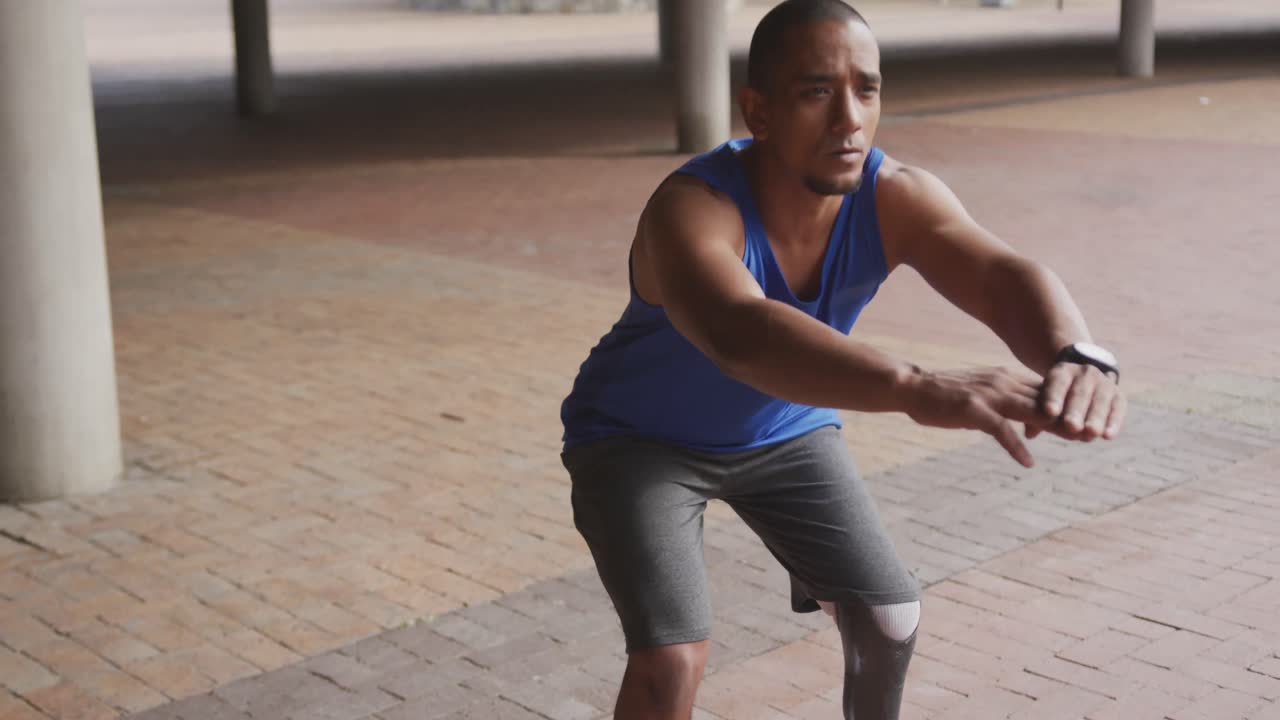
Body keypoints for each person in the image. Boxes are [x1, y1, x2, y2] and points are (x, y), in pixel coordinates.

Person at [559, 1, 1126, 718]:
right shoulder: (692, 210)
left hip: (784, 431)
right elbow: (740, 332)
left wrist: (1080, 353)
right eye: (817, 92)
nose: (850, 119)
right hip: (638, 442)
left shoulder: (896, 196)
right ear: (758, 111)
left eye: (868, 89)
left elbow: (998, 273)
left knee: (890, 617)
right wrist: (913, 386)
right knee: (672, 657)